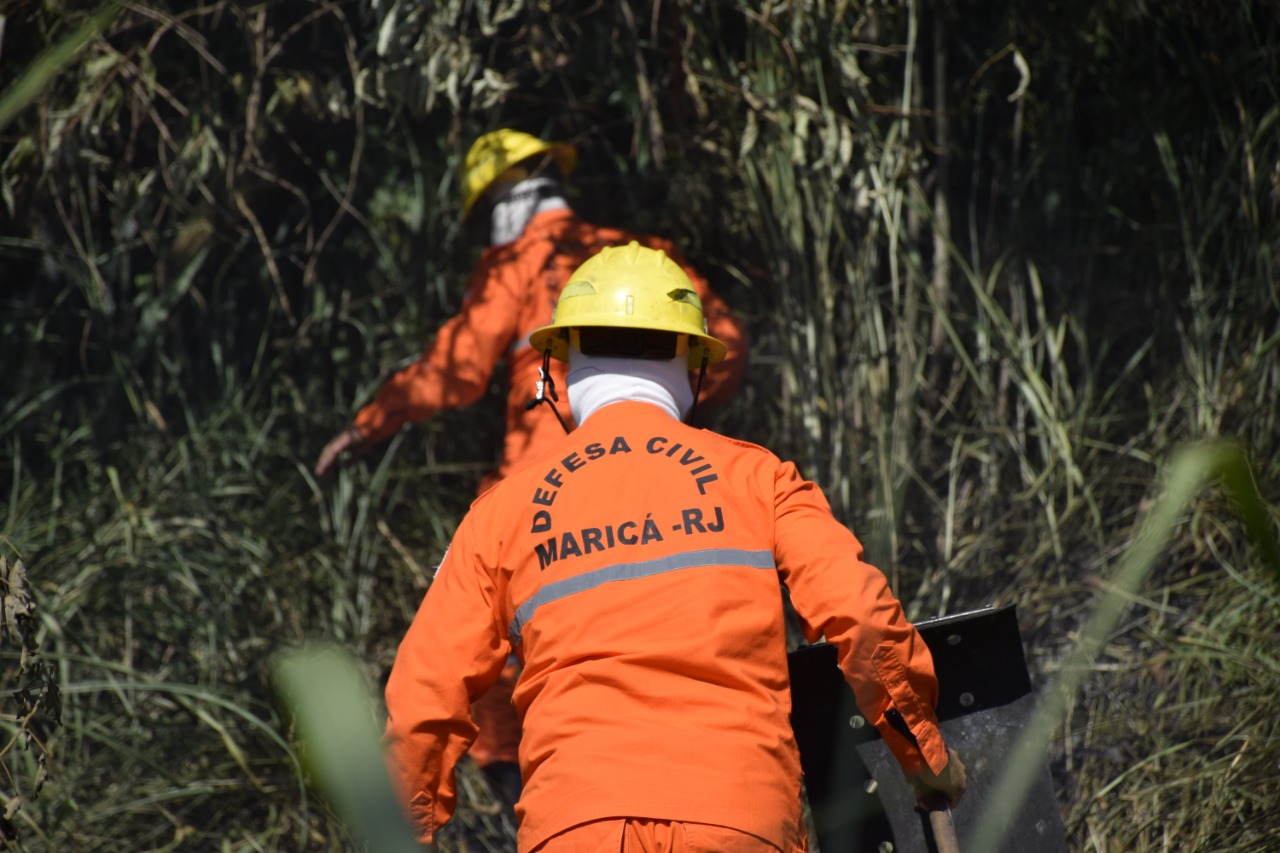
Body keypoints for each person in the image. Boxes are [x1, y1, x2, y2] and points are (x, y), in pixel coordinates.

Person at [382, 243, 966, 852]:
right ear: (695, 367)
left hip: (576, 827)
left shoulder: (500, 514)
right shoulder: (760, 480)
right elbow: (865, 620)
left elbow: (425, 695)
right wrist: (924, 753)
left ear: (556, 369)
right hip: (740, 821)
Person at [316, 130, 746, 831]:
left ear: (495, 205)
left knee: (484, 650)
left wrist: (368, 423)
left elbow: (453, 370)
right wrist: (666, 416)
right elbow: (728, 340)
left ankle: (513, 812)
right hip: (664, 478)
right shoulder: (636, 252)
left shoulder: (515, 262)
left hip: (539, 492)